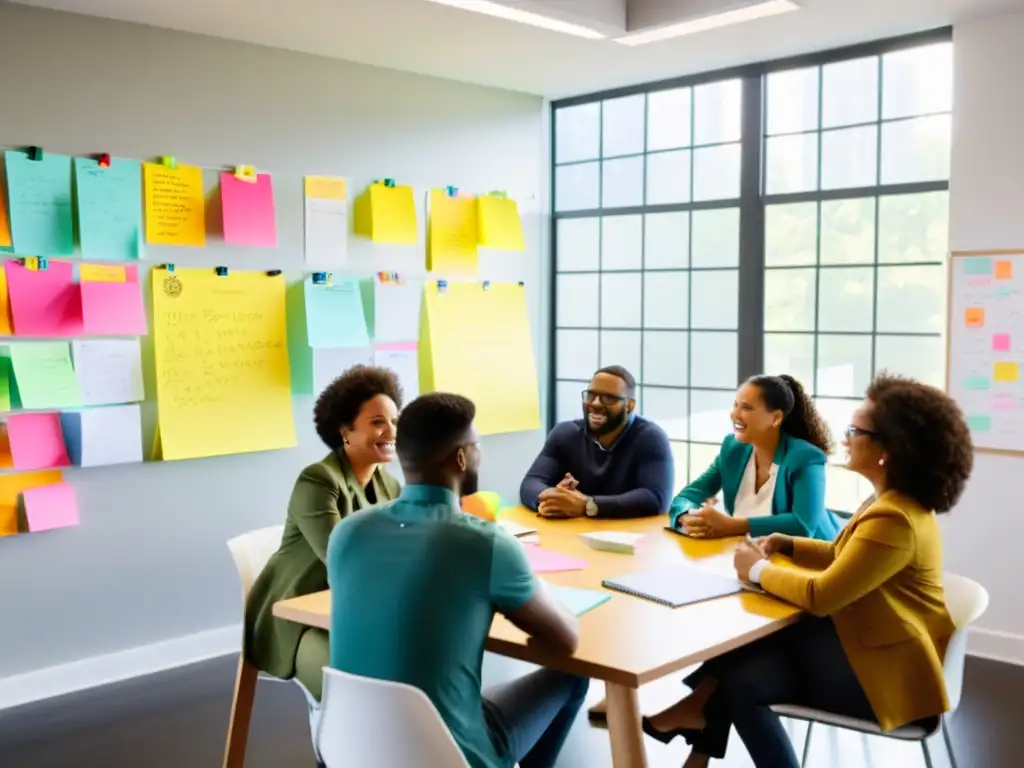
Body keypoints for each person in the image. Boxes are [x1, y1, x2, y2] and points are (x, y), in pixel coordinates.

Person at [642, 373, 973, 768]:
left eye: (855, 430)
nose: (844, 439)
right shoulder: (893, 502)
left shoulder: (894, 518)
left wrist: (758, 570)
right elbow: (844, 554)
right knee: (745, 668)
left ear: (888, 449)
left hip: (887, 675)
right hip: (870, 645)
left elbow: (822, 596)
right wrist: (788, 544)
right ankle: (695, 719)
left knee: (747, 670)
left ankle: (695, 712)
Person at [326, 393, 589, 768]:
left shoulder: (347, 533)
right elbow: (566, 640)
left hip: (349, 747)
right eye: (477, 446)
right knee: (573, 677)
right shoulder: (484, 542)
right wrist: (532, 582)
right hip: (448, 756)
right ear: (462, 458)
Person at [244, 365, 403, 702]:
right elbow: (343, 564)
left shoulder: (391, 486)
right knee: (356, 691)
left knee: (410, 670)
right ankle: (335, 753)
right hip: (297, 620)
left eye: (394, 421)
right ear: (346, 431)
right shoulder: (318, 480)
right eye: (378, 422)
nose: (391, 430)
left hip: (353, 610)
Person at [669, 374, 840, 541]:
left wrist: (731, 526)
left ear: (776, 418)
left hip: (813, 560)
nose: (734, 415)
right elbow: (687, 497)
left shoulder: (805, 458)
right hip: (754, 555)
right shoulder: (732, 450)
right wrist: (687, 518)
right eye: (735, 405)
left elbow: (802, 526)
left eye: (746, 408)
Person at [520, 365, 673, 520]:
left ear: (629, 406)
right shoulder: (565, 433)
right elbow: (532, 482)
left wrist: (587, 505)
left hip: (628, 537)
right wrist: (552, 498)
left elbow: (655, 497)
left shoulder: (650, 437)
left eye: (609, 398)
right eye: (591, 396)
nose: (596, 403)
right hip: (571, 534)